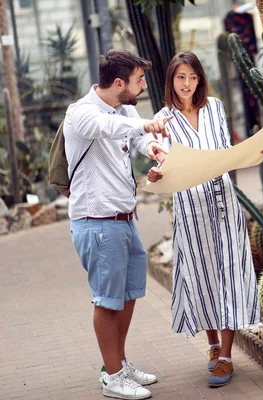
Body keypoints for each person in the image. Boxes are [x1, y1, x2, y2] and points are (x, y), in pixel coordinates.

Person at [147, 51, 263, 387]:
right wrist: (157, 174)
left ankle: (227, 357)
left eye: (193, 77)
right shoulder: (163, 119)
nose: (187, 84)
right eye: (180, 77)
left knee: (229, 273)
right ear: (171, 80)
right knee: (202, 275)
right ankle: (213, 345)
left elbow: (226, 153)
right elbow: (157, 157)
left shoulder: (215, 107)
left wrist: (259, 152)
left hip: (225, 206)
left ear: (200, 79)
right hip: (191, 210)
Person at [65, 49, 172, 400]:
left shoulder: (124, 108)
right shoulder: (82, 113)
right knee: (107, 300)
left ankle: (119, 363)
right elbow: (111, 128)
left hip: (124, 219)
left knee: (126, 297)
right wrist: (145, 123)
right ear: (118, 83)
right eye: (139, 80)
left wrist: (153, 145)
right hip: (97, 222)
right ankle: (112, 376)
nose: (143, 86)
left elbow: (136, 136)